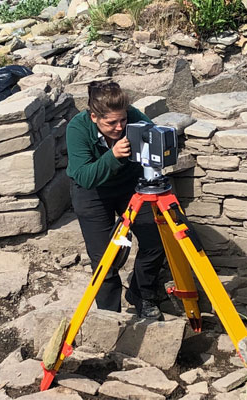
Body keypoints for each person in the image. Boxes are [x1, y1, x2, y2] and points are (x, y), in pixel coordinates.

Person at [66, 81, 166, 319]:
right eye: (111, 123)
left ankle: (141, 295)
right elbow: (84, 176)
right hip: (91, 191)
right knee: (104, 258)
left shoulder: (131, 115)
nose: (119, 127)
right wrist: (113, 156)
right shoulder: (77, 129)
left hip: (129, 186)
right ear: (93, 117)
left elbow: (152, 134)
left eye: (122, 120)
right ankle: (109, 316)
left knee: (156, 239)